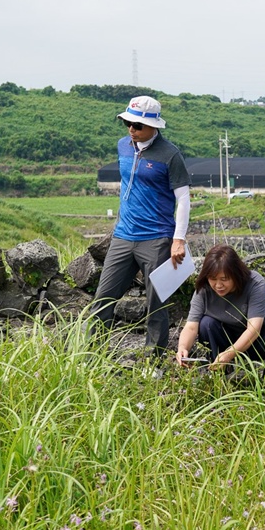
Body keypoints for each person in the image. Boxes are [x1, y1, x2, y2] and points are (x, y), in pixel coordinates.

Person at [91, 95, 191, 352]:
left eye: (137, 126)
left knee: (156, 303)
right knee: (103, 297)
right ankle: (91, 354)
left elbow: (183, 198)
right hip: (123, 235)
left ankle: (153, 360)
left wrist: (178, 239)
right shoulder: (123, 145)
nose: (131, 130)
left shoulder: (170, 155)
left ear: (154, 126)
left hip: (156, 237)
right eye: (127, 123)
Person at [175, 244, 265, 369]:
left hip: (256, 340)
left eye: (224, 279)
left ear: (236, 274)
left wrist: (230, 353)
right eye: (213, 279)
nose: (218, 285)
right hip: (224, 339)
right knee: (207, 324)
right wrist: (182, 348)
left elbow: (254, 329)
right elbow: (191, 327)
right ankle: (218, 374)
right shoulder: (203, 289)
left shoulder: (255, 283)